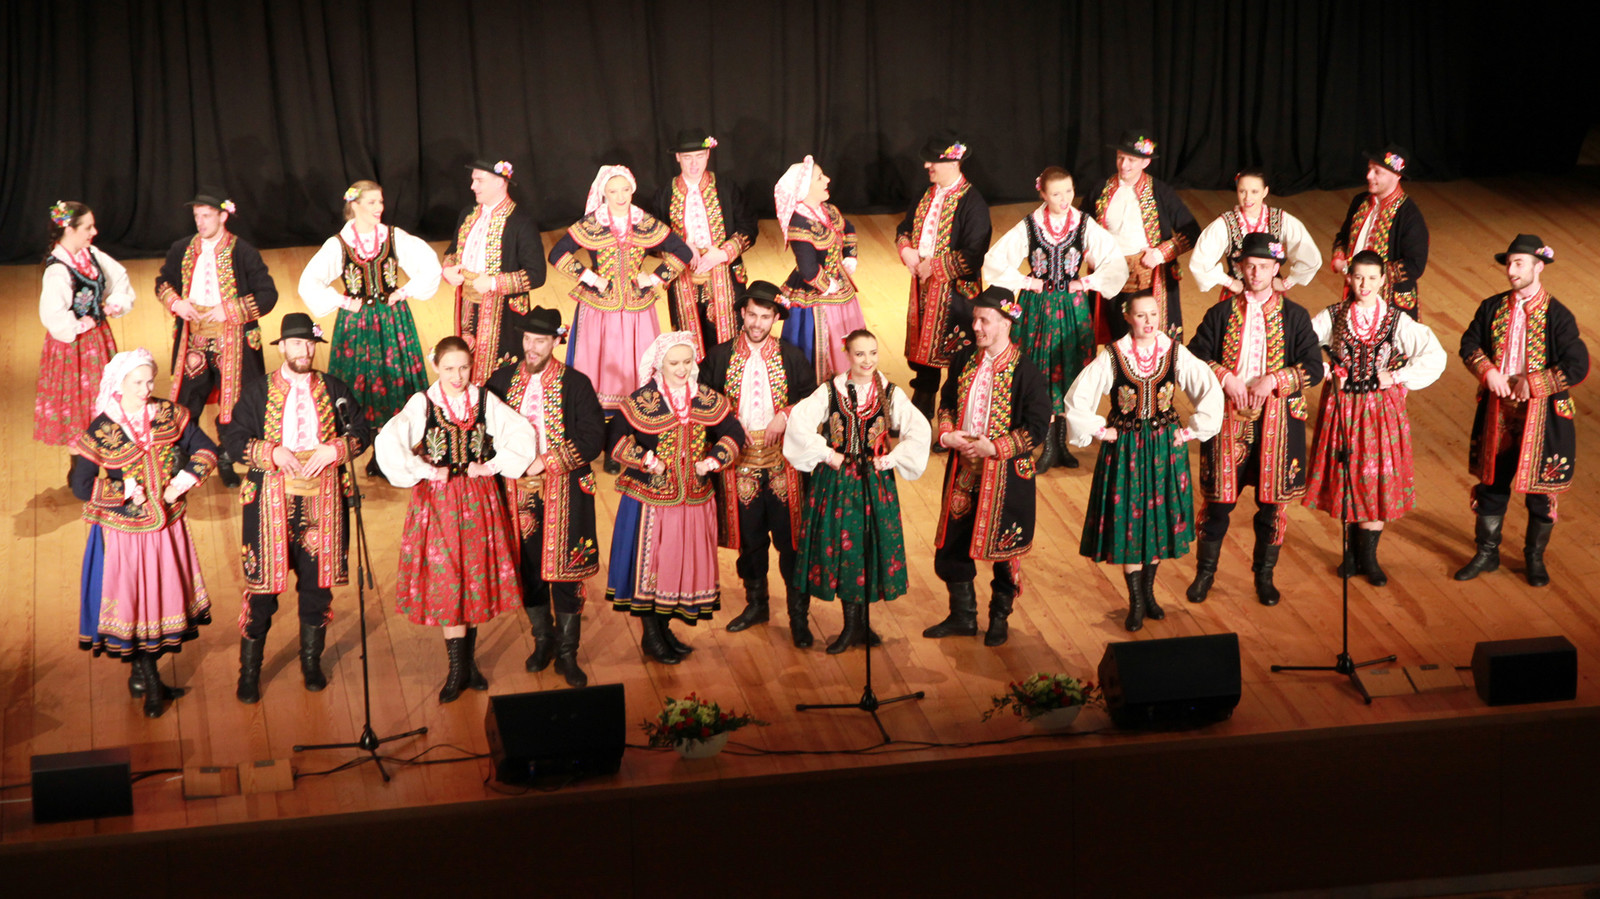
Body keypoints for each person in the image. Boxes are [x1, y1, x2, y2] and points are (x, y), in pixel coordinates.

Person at [377, 336, 539, 702]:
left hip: (478, 499)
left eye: (464, 367)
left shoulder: (483, 399)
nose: (457, 376)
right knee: (449, 578)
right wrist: (425, 470)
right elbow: (390, 441)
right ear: (435, 366)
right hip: (439, 502)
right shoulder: (423, 402)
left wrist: (492, 465)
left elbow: (520, 431)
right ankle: (456, 670)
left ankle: (468, 665)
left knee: (473, 577)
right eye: (449, 368)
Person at [221, 313, 368, 704]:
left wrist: (335, 449)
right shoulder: (257, 391)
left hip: (323, 501)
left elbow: (360, 430)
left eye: (310, 344)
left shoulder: (334, 388)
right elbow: (234, 438)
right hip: (270, 502)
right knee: (262, 590)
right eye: (298, 343)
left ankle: (311, 663)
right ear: (283, 346)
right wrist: (271, 452)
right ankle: (249, 672)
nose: (305, 351)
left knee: (317, 587)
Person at [72, 349, 217, 718]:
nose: (145, 389)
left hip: (166, 527)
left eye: (149, 381)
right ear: (119, 384)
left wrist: (180, 483)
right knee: (135, 604)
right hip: (125, 534)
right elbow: (81, 484)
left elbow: (205, 450)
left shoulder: (168, 414)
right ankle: (151, 684)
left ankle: (141, 677)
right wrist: (123, 490)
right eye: (137, 382)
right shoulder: (102, 429)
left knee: (158, 601)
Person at [1065, 295, 1224, 631]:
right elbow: (1079, 398)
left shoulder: (1174, 352)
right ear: (1128, 317)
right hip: (1127, 450)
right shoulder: (1114, 355)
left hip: (1164, 448)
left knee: (1156, 521)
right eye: (1141, 315)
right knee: (1130, 522)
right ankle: (1136, 600)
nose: (1149, 321)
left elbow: (1208, 388)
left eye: (1153, 314)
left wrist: (1190, 432)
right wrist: (1100, 431)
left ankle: (1149, 593)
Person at [1185, 234, 1324, 606]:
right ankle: (1204, 575)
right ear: (1240, 268)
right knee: (1218, 503)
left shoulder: (1295, 316)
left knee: (1272, 506)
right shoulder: (1220, 314)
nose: (1256, 273)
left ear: (1276, 269)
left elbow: (1313, 368)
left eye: (1264, 266)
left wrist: (1274, 380)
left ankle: (1264, 576)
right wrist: (1225, 377)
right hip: (1229, 418)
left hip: (1277, 424)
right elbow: (1194, 357)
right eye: (1250, 266)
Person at [1303, 250, 1446, 585]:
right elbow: (1300, 342)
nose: (1364, 284)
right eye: (1358, 277)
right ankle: (1350, 555)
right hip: (1342, 407)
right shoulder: (1334, 315)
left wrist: (1396, 376)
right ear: (1349, 278)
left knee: (1375, 477)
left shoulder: (1397, 320)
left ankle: (1368, 556)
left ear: (1383, 280)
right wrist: (1324, 368)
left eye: (1371, 278)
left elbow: (1435, 355)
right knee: (1347, 474)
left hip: (1380, 410)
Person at [784, 329, 931, 653]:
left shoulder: (890, 393)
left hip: (874, 482)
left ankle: (861, 624)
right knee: (844, 548)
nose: (868, 360)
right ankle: (852, 625)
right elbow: (798, 423)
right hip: (838, 482)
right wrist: (828, 454)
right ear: (847, 355)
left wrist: (890, 459)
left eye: (873, 353)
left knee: (869, 545)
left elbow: (919, 430)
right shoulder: (831, 391)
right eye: (860, 354)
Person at [1455, 235, 1588, 588]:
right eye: (1509, 263)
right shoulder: (1492, 307)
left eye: (1519, 264)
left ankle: (1534, 557)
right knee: (1491, 484)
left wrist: (1535, 382)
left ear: (1538, 267)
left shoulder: (1558, 315)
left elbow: (1577, 365)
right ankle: (1487, 553)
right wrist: (1487, 371)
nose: (1511, 270)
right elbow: (1469, 343)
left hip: (1542, 418)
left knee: (1540, 493)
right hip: (1498, 413)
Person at [923, 288, 1053, 647]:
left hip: (1006, 476)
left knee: (1005, 550)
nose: (976, 326)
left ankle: (999, 617)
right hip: (964, 470)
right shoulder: (965, 359)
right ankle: (963, 616)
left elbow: (1037, 427)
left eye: (985, 320)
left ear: (1006, 323)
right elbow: (948, 402)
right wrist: (947, 433)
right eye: (975, 319)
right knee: (952, 543)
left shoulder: (1026, 371)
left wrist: (995, 447)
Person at [606, 332, 744, 664]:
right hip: (650, 501)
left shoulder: (706, 398)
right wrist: (646, 460)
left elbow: (733, 433)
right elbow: (614, 440)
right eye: (673, 363)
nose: (682, 369)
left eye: (686, 362)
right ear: (659, 365)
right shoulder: (642, 400)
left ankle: (663, 629)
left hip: (693, 500)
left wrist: (713, 461)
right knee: (651, 567)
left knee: (675, 567)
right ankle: (651, 635)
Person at [486, 310, 605, 688]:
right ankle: (544, 640)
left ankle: (568, 652)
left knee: (567, 574)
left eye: (540, 341)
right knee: (528, 570)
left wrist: (545, 462)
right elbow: (484, 430)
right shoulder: (501, 380)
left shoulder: (576, 384)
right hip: (514, 494)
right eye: (527, 339)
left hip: (565, 492)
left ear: (556, 342)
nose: (532, 348)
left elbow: (593, 438)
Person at [983, 166, 1128, 472]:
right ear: (1043, 194)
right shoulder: (1031, 225)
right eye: (1056, 194)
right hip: (1038, 307)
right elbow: (995, 260)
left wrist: (1086, 282)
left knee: (1072, 367)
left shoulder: (1083, 224)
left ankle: (1062, 442)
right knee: (1042, 367)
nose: (1064, 199)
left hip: (1073, 308)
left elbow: (1114, 261)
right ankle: (1047, 443)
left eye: (1069, 192)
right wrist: (1027, 282)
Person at [551, 165, 694, 471]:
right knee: (601, 373)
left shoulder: (644, 222)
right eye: (613, 191)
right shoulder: (593, 223)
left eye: (625, 190)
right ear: (603, 193)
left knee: (634, 374)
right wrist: (590, 278)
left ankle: (634, 442)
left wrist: (654, 278)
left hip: (637, 313)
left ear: (632, 190)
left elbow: (682, 252)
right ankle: (603, 443)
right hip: (599, 313)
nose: (619, 196)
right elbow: (558, 253)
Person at [297, 180, 442, 478]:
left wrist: (404, 292)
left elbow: (429, 265)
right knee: (360, 383)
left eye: (381, 201)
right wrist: (343, 301)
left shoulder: (393, 237)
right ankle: (364, 446)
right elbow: (309, 282)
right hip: (357, 324)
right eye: (372, 202)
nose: (379, 208)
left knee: (395, 382)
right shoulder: (339, 244)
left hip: (392, 320)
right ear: (355, 205)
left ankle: (387, 454)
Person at [700, 281, 818, 647]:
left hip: (783, 464)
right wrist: (729, 424)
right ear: (742, 313)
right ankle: (757, 605)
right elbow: (703, 402)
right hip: (739, 466)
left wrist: (786, 414)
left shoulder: (791, 356)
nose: (757, 323)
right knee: (750, 541)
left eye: (765, 317)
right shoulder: (718, 356)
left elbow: (813, 401)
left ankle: (799, 617)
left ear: (775, 319)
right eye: (752, 314)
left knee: (791, 541)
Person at [156, 192, 279, 488]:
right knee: (186, 400)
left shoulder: (243, 252)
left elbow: (267, 294)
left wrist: (230, 310)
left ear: (223, 216)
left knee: (235, 403)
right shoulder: (182, 249)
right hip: (193, 339)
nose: (200, 222)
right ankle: (184, 455)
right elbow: (163, 282)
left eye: (206, 216)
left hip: (233, 341)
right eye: (197, 216)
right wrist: (176, 303)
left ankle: (226, 455)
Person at [897, 132, 992, 424]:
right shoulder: (926, 194)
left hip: (956, 295)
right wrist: (906, 249)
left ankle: (952, 419)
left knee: (957, 359)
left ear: (953, 163)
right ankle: (922, 410)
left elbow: (974, 253)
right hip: (924, 289)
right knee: (923, 357)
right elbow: (905, 227)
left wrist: (935, 267)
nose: (927, 166)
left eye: (933, 162)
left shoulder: (972, 202)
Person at [36, 201, 135, 450]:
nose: (94, 232)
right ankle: (80, 465)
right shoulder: (58, 270)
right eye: (88, 227)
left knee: (103, 399)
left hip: (98, 341)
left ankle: (107, 456)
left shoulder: (90, 255)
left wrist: (113, 304)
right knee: (77, 405)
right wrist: (82, 324)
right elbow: (54, 318)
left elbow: (119, 279)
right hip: (73, 349)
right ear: (69, 230)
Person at [651, 129, 758, 359]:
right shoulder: (665, 193)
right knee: (687, 340)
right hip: (683, 278)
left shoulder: (726, 187)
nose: (694, 164)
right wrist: (679, 247)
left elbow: (749, 227)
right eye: (687, 157)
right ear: (677, 157)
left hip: (725, 275)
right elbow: (653, 238)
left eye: (699, 156)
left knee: (728, 340)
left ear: (708, 155)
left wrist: (723, 253)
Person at [441, 158, 547, 383]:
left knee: (501, 373)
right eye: (473, 180)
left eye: (479, 180)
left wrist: (493, 283)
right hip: (467, 305)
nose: (473, 186)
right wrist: (448, 269)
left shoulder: (521, 221)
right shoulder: (468, 214)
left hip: (505, 313)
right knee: (465, 357)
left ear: (500, 182)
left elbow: (537, 274)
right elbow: (452, 251)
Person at [1090, 131, 1198, 342]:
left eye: (1131, 160)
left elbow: (1191, 232)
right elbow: (1082, 227)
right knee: (1117, 337)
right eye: (1120, 157)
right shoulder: (1101, 189)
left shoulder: (1161, 192)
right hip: (1111, 278)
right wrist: (1090, 253)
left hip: (1148, 281)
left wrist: (1160, 253)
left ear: (1145, 162)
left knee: (1150, 338)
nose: (1124, 165)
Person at [774, 155, 868, 383]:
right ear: (804, 189)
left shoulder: (828, 210)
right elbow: (808, 270)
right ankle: (821, 385)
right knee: (821, 342)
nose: (827, 179)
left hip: (840, 287)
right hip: (816, 295)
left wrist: (850, 256)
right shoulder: (799, 223)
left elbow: (849, 228)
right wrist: (827, 285)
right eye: (819, 178)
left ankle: (850, 382)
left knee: (848, 337)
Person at [1328, 145, 1429, 318]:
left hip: (1392, 303)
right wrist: (1338, 258)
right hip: (1355, 293)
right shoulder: (1360, 202)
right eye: (1369, 169)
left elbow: (1414, 265)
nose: (1369, 176)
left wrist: (1369, 275)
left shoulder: (1410, 216)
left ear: (1396, 176)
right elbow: (1343, 237)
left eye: (1377, 172)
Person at [1189, 168, 1321, 296]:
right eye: (1242, 191)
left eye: (1254, 192)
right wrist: (1229, 282)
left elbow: (1309, 255)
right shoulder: (1225, 224)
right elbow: (1200, 261)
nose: (1248, 198)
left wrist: (1287, 283)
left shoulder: (1280, 220)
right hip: (1238, 296)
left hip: (1271, 296)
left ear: (1265, 191)